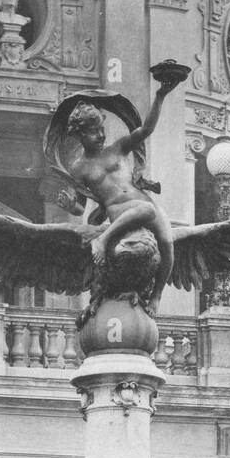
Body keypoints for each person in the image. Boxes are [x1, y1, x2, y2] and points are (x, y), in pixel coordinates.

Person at [64, 81, 176, 317]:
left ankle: (156, 296)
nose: (101, 135)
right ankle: (104, 240)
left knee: (167, 244)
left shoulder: (118, 148)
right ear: (80, 135)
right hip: (121, 213)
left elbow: (146, 129)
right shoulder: (79, 168)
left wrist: (160, 95)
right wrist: (69, 205)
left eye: (102, 129)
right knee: (147, 211)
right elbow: (79, 207)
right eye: (94, 132)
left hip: (145, 203)